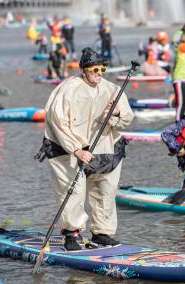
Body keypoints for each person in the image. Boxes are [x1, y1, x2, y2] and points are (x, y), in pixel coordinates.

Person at [41, 47, 134, 250]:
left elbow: (127, 118)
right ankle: (71, 235)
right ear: (84, 70)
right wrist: (76, 149)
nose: (99, 74)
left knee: (105, 192)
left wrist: (117, 113)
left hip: (106, 147)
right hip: (67, 149)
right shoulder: (67, 90)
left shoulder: (113, 90)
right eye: (94, 70)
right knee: (73, 192)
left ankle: (101, 233)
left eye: (102, 70)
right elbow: (58, 123)